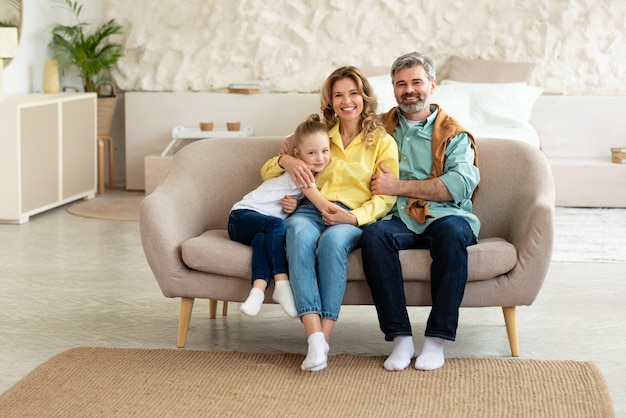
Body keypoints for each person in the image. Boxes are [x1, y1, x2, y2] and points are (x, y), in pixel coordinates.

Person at [261, 66, 399, 372]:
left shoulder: (382, 142)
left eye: (353, 93)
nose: (346, 101)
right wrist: (285, 159)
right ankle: (314, 340)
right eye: (338, 95)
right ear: (330, 100)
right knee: (296, 231)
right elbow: (269, 171)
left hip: (350, 215)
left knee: (331, 244)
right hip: (311, 210)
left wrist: (353, 218)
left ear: (364, 97)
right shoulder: (318, 133)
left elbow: (386, 198)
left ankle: (324, 337)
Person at [361, 51, 480, 372]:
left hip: (446, 217)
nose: (409, 90)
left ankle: (435, 340)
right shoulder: (380, 127)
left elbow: (457, 186)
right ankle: (400, 337)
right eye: (401, 84)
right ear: (394, 89)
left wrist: (396, 186)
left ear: (432, 85)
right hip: (398, 219)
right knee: (373, 235)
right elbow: (335, 131)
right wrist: (295, 140)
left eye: (416, 82)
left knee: (454, 233)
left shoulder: (453, 134)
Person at [228, 114, 334, 318]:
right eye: (312, 153)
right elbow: (321, 203)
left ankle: (257, 291)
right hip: (240, 217)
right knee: (277, 226)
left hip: (256, 227)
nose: (320, 158)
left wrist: (295, 204)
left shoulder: (308, 173)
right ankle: (282, 283)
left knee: (262, 241)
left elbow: (293, 196)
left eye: (325, 151)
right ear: (298, 154)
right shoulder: (302, 172)